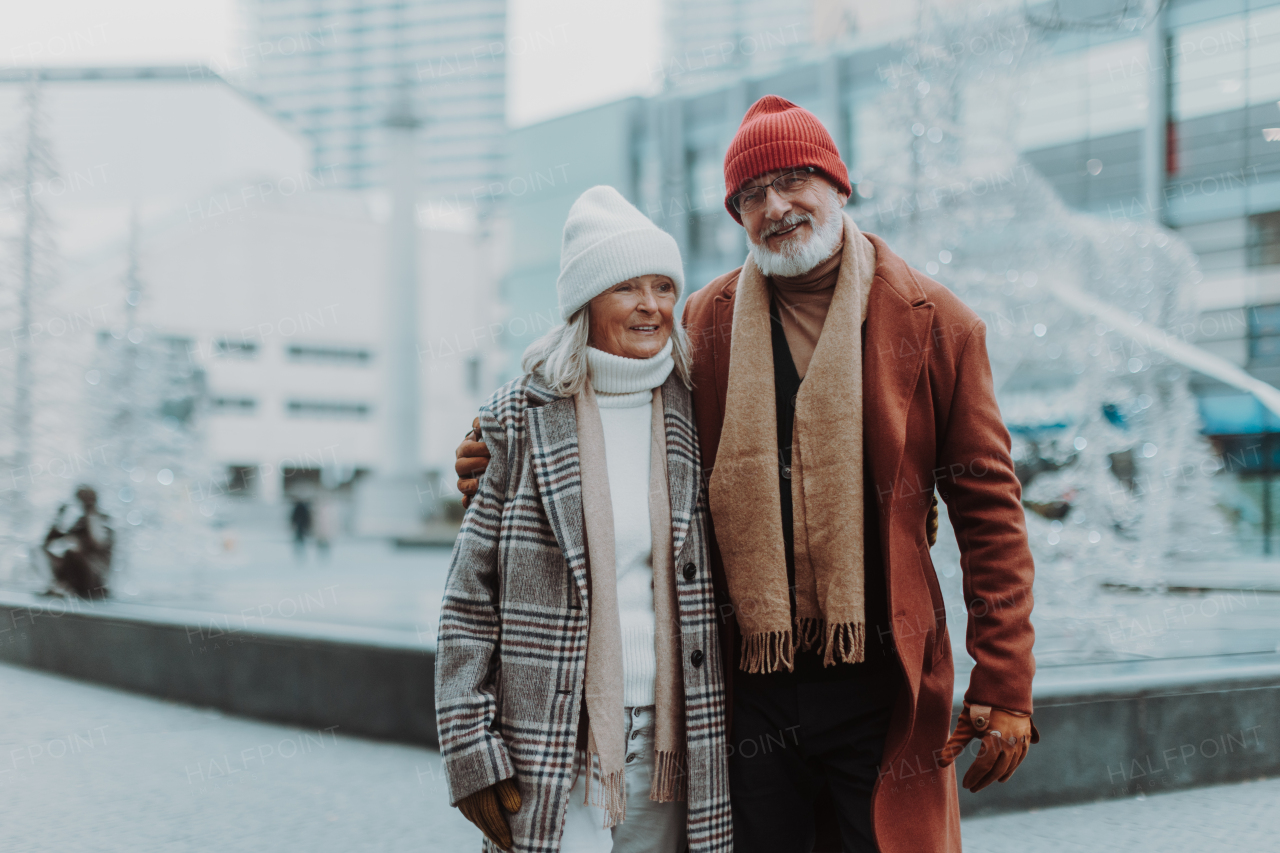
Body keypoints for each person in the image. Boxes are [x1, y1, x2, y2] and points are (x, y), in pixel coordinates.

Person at [455, 96, 1038, 853]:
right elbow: (598, 386)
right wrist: (497, 442)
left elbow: (990, 512)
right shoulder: (704, 321)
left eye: (795, 179)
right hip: (746, 691)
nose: (776, 206)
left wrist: (1004, 682)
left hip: (881, 685)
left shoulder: (940, 324)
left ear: (839, 185)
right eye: (751, 194)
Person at [436, 186, 732, 853]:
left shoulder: (700, 408)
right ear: (585, 302)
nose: (652, 305)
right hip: (551, 734)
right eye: (627, 286)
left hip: (676, 738)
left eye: (663, 285)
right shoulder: (519, 416)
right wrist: (470, 751)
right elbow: (466, 602)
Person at [43, 485, 113, 599]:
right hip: (71, 575)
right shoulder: (75, 522)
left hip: (93, 578)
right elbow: (48, 544)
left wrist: (91, 512)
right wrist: (60, 517)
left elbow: (98, 542)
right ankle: (56, 584)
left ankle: (63, 586)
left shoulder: (101, 521)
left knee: (72, 551)